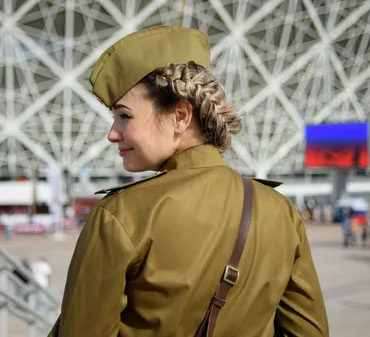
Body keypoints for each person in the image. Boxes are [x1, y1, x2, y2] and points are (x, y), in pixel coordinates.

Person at [48, 26, 329, 336]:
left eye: (124, 116)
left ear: (180, 116)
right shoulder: (281, 212)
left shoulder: (121, 215)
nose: (112, 133)